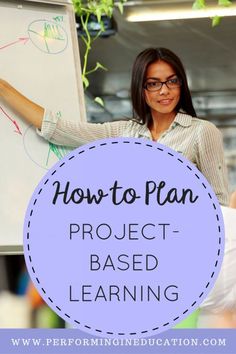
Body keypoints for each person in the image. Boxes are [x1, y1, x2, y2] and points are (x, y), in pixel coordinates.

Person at [0, 47, 229, 205]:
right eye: (153, 84)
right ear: (141, 88)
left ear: (181, 84)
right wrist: (3, 89)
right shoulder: (124, 132)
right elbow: (59, 129)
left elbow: (219, 201)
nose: (164, 90)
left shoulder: (201, 131)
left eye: (172, 81)